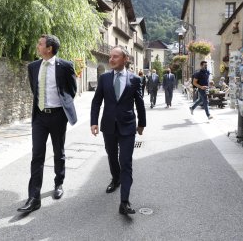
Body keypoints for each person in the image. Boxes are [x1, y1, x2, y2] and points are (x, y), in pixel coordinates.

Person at [17, 34, 77, 213]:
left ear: (49, 48)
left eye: (40, 44)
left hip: (58, 116)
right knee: (37, 155)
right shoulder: (33, 67)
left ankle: (59, 183)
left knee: (59, 152)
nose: (37, 46)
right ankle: (34, 197)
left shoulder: (65, 66)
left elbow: (71, 90)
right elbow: (34, 89)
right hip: (40, 117)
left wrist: (62, 107)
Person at [90, 46, 146, 215]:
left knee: (126, 161)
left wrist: (142, 124)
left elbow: (140, 103)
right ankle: (115, 179)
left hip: (128, 125)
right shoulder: (105, 78)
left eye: (115, 56)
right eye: (110, 57)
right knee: (112, 156)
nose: (111, 59)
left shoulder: (135, 79)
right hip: (108, 125)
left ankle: (124, 202)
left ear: (125, 59)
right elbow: (96, 101)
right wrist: (93, 122)